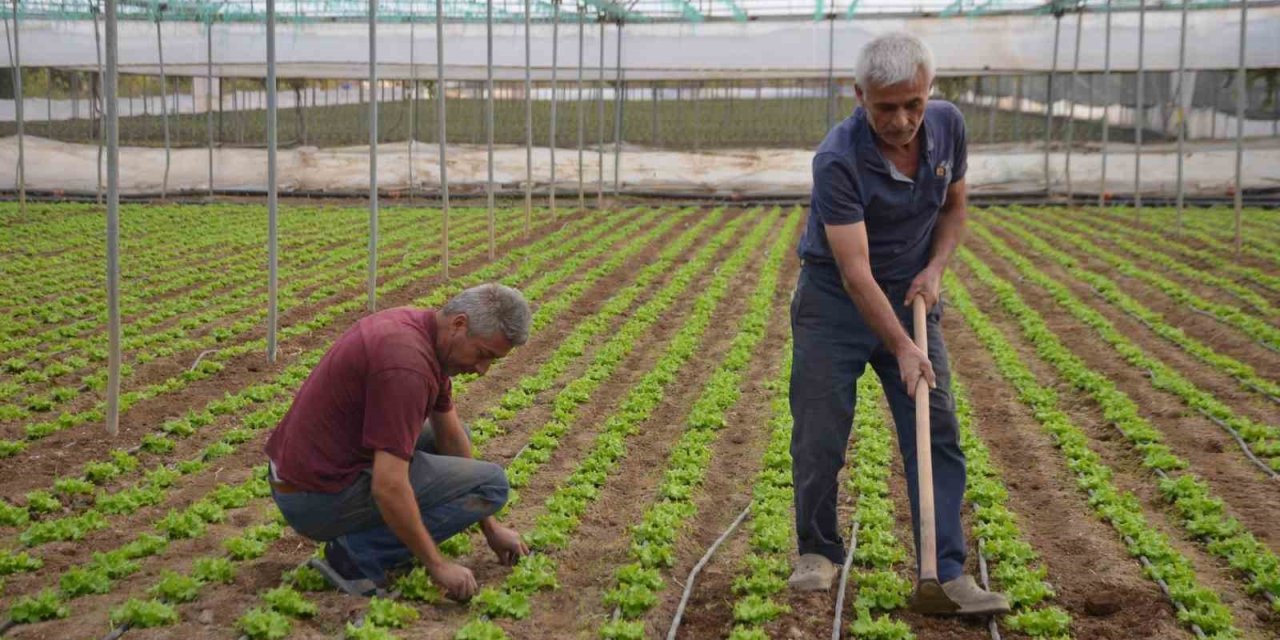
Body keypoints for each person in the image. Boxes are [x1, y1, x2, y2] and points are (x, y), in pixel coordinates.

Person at [787, 32, 1009, 615]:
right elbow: (855, 271)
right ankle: (817, 550)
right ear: (860, 96)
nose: (903, 118)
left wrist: (935, 269)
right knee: (819, 430)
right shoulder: (837, 158)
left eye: (914, 102)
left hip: (911, 292)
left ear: (928, 92)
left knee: (935, 428)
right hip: (835, 301)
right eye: (886, 106)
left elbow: (956, 204)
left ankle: (948, 571)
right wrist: (905, 347)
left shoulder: (949, 126)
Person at [264, 283, 532, 601]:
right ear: (460, 324)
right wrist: (438, 564)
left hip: (308, 473)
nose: (482, 369)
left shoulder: (421, 331)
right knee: (491, 485)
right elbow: (388, 484)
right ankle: (356, 555)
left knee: (459, 439)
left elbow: (450, 435)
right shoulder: (406, 366)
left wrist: (490, 527)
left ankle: (369, 542)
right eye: (483, 354)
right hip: (314, 498)